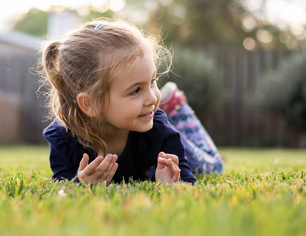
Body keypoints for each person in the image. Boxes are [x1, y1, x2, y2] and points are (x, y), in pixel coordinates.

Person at [41, 21, 223, 185]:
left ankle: (177, 108)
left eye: (153, 81)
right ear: (91, 103)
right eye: (136, 90)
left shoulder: (158, 128)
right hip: (146, 134)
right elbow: (63, 184)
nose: (152, 98)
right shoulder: (63, 139)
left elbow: (185, 178)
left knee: (214, 166)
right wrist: (82, 184)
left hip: (156, 130)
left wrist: (172, 182)